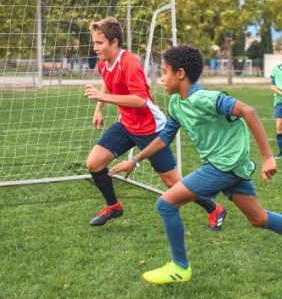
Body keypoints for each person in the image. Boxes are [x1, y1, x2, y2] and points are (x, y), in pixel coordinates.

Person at [109, 45, 282, 284]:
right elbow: (165, 137)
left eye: (164, 72)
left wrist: (268, 156)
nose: (161, 78)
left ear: (180, 73)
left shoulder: (206, 98)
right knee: (259, 218)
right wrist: (134, 160)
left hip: (222, 165)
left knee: (166, 204)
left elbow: (248, 111)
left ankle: (180, 267)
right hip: (230, 167)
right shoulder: (176, 103)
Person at [84, 17, 226, 230]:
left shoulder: (130, 62)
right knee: (94, 163)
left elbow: (140, 101)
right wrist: (98, 110)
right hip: (126, 125)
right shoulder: (104, 63)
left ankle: (214, 209)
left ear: (114, 43)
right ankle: (113, 206)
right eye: (94, 43)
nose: (95, 47)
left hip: (151, 128)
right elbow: (108, 83)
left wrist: (102, 99)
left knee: (173, 183)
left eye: (99, 43)